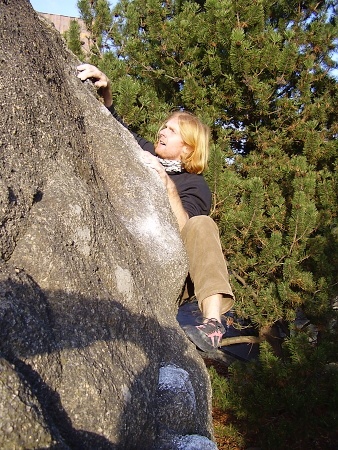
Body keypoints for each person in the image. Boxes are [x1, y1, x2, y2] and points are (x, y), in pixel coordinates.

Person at [77, 64, 235, 353]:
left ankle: (212, 325)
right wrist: (106, 90)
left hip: (178, 264)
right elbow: (117, 128)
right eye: (164, 125)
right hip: (134, 251)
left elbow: (186, 230)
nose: (162, 131)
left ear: (187, 148)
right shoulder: (150, 152)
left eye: (172, 131)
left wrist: (167, 184)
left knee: (203, 224)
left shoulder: (194, 185)